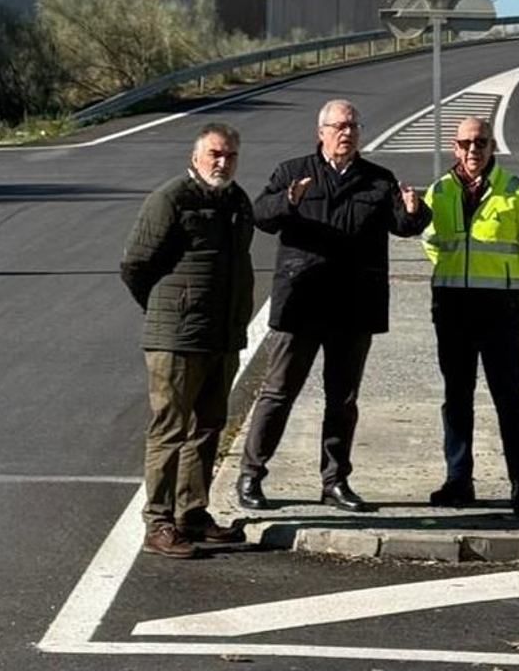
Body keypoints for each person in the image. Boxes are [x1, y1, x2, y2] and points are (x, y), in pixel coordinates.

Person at [237, 99, 431, 513]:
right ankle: (251, 475)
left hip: (354, 307)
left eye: (353, 126)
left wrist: (417, 212)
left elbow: (405, 224)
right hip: (302, 304)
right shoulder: (293, 172)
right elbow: (261, 216)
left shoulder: (378, 179)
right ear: (321, 132)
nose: (347, 133)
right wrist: (288, 201)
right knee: (278, 392)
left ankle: (335, 481)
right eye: (339, 126)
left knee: (342, 400)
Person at [120, 123, 256, 559]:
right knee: (170, 429)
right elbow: (135, 264)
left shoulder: (236, 202)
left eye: (230, 155)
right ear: (196, 157)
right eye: (215, 154)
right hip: (176, 337)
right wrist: (168, 309)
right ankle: (158, 521)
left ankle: (192, 514)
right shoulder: (171, 199)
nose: (223, 162)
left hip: (222, 335)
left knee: (208, 426)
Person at [421, 116, 519, 512]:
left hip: (499, 307)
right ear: (454, 147)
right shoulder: (439, 191)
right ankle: (458, 480)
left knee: (508, 397)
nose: (473, 150)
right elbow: (431, 243)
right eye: (465, 143)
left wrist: (510, 279)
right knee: (456, 397)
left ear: (492, 146)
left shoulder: (517, 191)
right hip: (453, 306)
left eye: (481, 143)